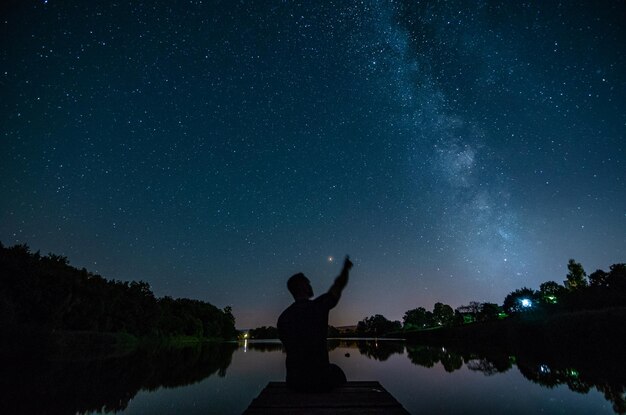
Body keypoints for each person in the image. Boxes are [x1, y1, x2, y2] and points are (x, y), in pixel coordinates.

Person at [277, 256, 353, 392]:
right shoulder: (319, 306)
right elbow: (338, 286)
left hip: (294, 382)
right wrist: (346, 269)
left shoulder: (283, 318)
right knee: (337, 372)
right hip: (319, 380)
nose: (311, 285)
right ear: (302, 287)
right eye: (308, 283)